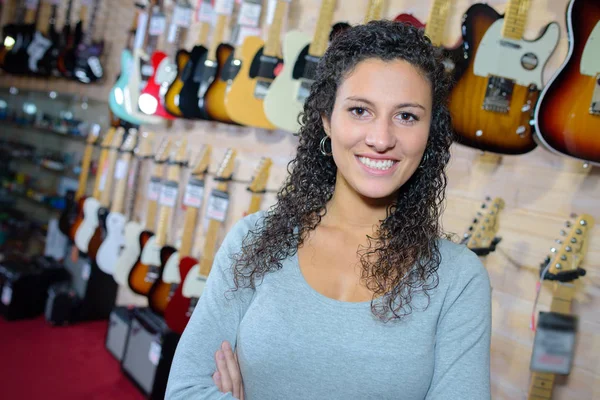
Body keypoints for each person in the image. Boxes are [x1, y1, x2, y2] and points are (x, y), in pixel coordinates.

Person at [166, 20, 491, 400]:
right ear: (326, 119)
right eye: (359, 111)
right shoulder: (253, 241)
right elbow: (186, 389)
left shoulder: (459, 280)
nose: (381, 139)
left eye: (406, 116)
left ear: (430, 132)